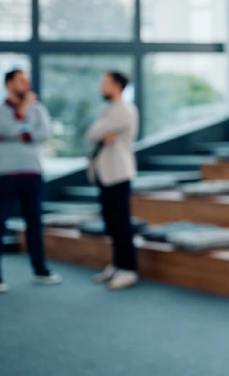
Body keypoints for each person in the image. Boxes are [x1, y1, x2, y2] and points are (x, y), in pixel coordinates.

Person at [0, 69, 61, 293]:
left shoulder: (39, 109)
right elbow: (5, 128)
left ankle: (40, 270)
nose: (26, 84)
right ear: (9, 84)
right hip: (6, 176)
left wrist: (20, 132)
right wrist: (24, 116)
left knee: (35, 224)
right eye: (21, 80)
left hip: (33, 174)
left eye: (28, 80)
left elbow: (43, 133)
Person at [84, 71, 140, 291]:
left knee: (121, 224)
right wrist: (100, 134)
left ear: (117, 86)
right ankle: (118, 265)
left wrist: (99, 133)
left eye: (105, 82)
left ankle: (129, 270)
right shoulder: (107, 110)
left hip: (118, 173)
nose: (101, 86)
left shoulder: (124, 110)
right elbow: (91, 134)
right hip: (104, 174)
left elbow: (92, 134)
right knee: (112, 224)